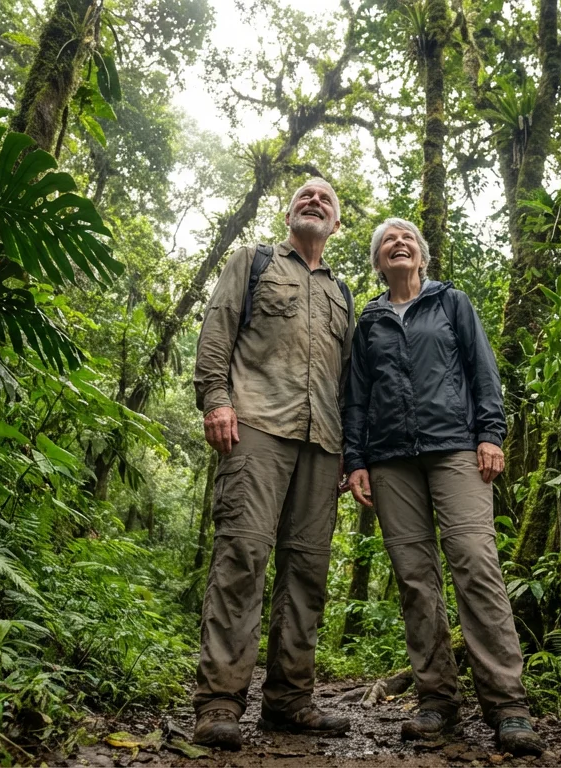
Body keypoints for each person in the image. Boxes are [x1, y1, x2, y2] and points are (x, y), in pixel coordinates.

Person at [342, 218, 545, 756]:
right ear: (378, 261)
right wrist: (355, 460)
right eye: (388, 242)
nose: (399, 244)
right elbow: (357, 397)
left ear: (422, 256)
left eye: (407, 238)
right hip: (389, 460)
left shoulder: (451, 303)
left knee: (476, 564)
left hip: (456, 446)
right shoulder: (369, 321)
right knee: (415, 579)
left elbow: (483, 371)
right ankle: (437, 701)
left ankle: (508, 706)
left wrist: (492, 433)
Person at [189, 178, 355, 750]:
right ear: (289, 213)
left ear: (337, 224)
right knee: (242, 556)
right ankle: (219, 701)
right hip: (255, 425)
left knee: (306, 573)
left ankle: (289, 701)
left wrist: (349, 454)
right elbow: (217, 330)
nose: (314, 201)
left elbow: (349, 380)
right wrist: (215, 399)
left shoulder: (343, 293)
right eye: (304, 195)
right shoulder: (254, 261)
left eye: (325, 199)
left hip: (323, 445)